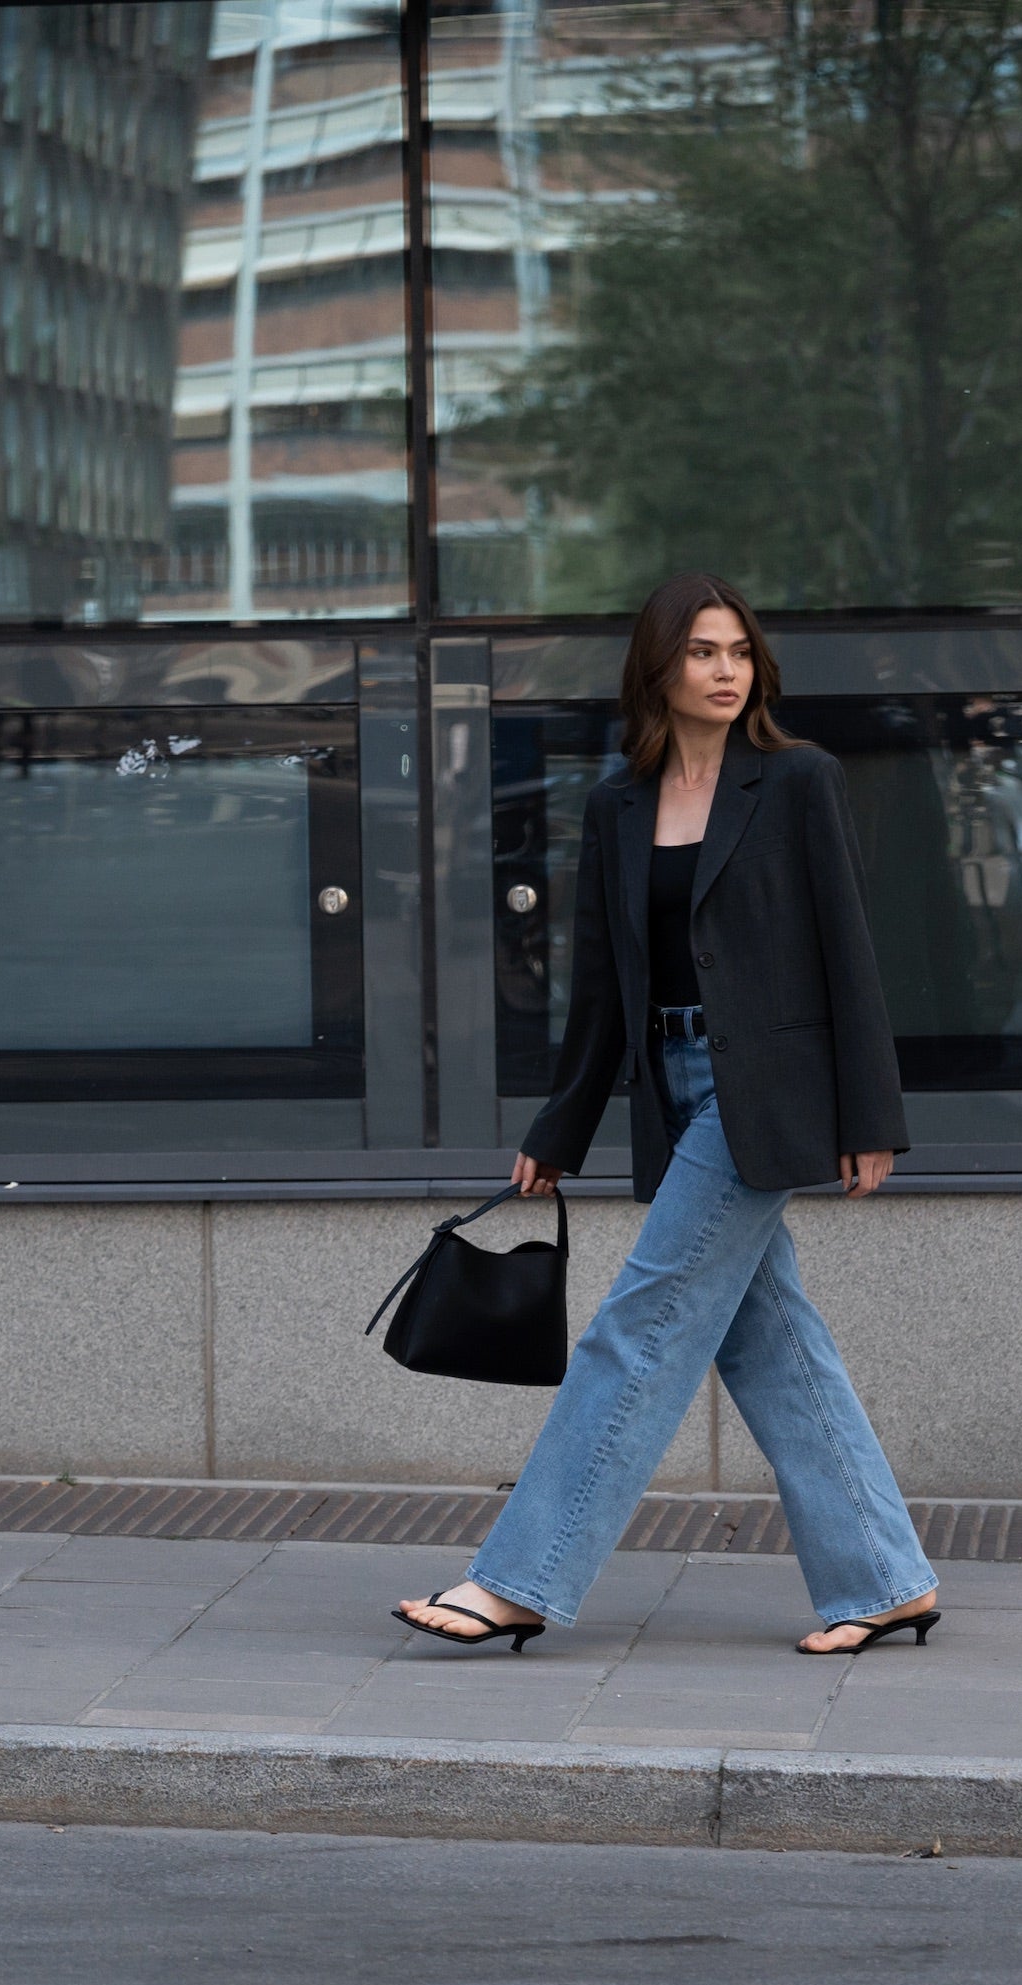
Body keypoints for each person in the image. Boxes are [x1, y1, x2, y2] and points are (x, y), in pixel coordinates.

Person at [395, 572, 940, 1657]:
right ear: (659, 667)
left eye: (739, 649)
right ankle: (884, 1578)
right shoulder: (616, 806)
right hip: (674, 1083)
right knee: (775, 1343)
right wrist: (560, 1125)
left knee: (634, 1328)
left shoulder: (796, 782)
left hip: (765, 1099)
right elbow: (604, 986)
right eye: (702, 651)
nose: (727, 669)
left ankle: (520, 1576)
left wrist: (870, 1111)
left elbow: (850, 954)